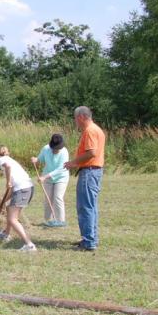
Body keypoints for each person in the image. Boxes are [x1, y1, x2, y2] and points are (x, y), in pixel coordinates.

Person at [64, 106, 105, 252]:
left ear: (81, 117)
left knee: (85, 207)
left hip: (89, 172)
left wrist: (73, 163)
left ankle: (88, 241)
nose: (75, 121)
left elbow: (91, 152)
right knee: (91, 206)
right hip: (94, 171)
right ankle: (91, 238)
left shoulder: (90, 131)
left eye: (75, 118)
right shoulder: (96, 129)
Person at [0, 145, 36, 252]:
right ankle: (6, 234)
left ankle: (29, 245)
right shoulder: (10, 159)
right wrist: (2, 202)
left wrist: (8, 181)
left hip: (22, 189)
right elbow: (12, 190)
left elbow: (8, 167)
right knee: (9, 208)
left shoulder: (2, 159)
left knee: (13, 219)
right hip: (26, 188)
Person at [31, 134, 70, 227]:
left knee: (58, 197)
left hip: (61, 177)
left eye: (57, 148)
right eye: (54, 148)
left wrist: (45, 177)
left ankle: (61, 222)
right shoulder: (46, 149)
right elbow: (40, 159)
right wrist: (35, 160)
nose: (55, 150)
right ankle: (48, 221)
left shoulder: (64, 152)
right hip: (47, 178)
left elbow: (61, 168)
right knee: (48, 198)